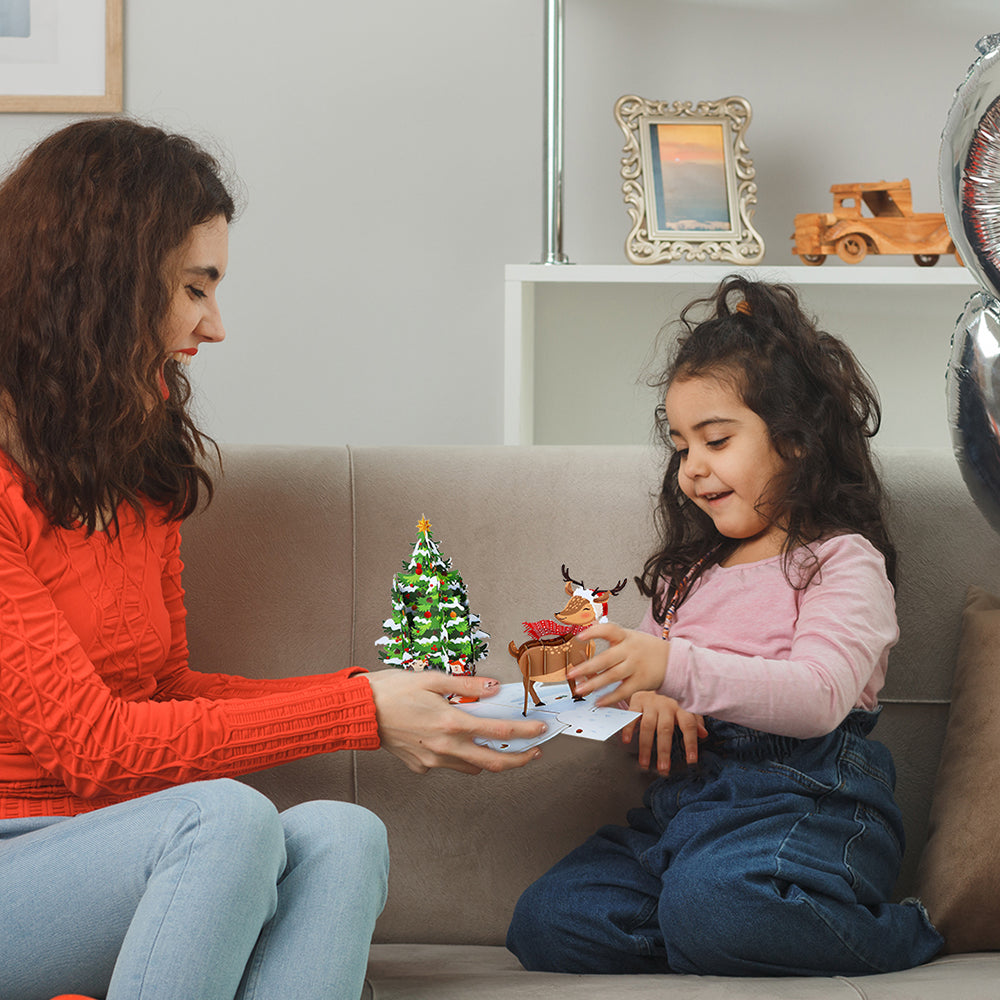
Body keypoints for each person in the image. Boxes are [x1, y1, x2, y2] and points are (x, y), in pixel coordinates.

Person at [0, 118, 546, 1000]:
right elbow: (93, 750)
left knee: (344, 836)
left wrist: (381, 696)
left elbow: (166, 692)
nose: (215, 326)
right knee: (227, 818)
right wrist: (359, 713)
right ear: (98, 289)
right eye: (193, 287)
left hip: (126, 852)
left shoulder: (137, 473)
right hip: (19, 863)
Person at [506, 275, 944, 976]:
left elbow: (818, 696)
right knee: (549, 921)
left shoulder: (839, 562)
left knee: (719, 903)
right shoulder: (686, 574)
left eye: (715, 440)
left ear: (796, 441)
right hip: (689, 810)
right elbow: (648, 682)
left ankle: (897, 932)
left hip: (810, 801)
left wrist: (670, 669)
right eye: (681, 447)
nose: (693, 468)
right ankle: (708, 922)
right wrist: (644, 699)